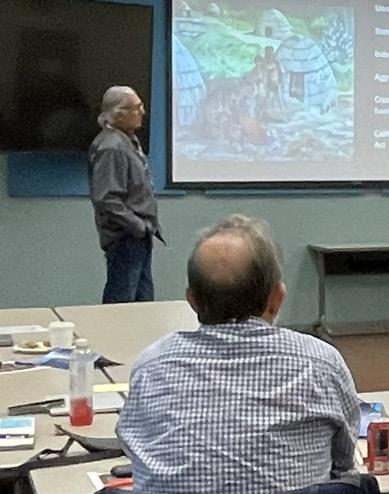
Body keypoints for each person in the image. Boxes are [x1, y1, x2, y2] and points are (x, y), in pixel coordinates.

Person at [116, 214, 361, 494]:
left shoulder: (152, 366)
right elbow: (344, 463)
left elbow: (133, 447)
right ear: (277, 298)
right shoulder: (322, 363)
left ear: (192, 301)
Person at [88, 86, 162, 303]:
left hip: (137, 236)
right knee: (121, 303)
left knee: (142, 302)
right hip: (125, 238)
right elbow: (106, 199)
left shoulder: (127, 140)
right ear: (118, 113)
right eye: (135, 108)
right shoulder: (111, 147)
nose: (142, 112)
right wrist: (138, 225)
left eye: (141, 106)